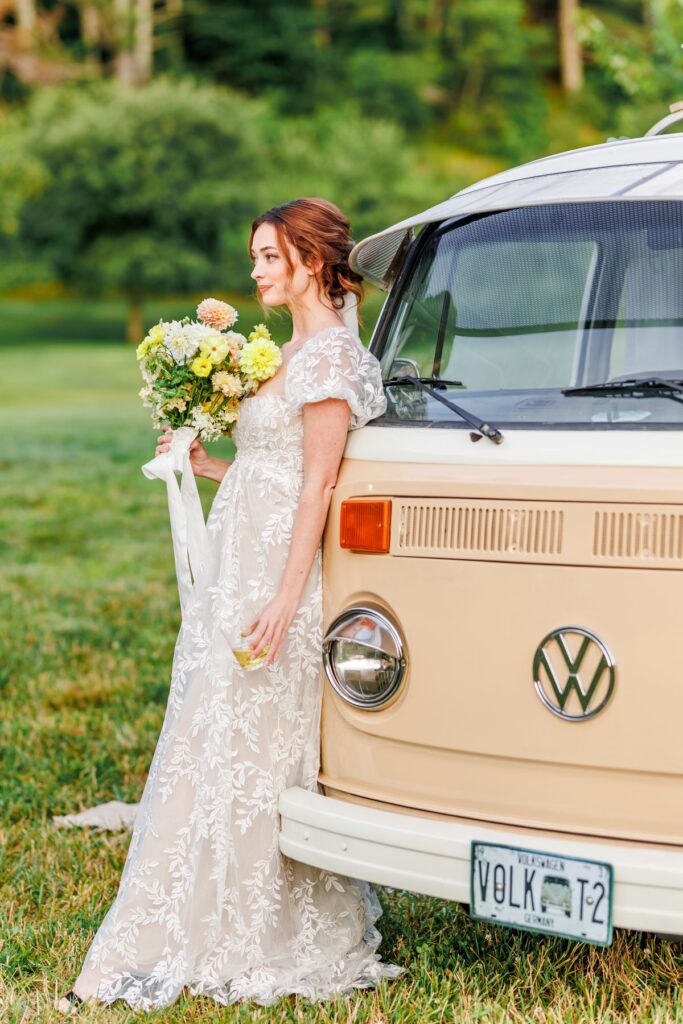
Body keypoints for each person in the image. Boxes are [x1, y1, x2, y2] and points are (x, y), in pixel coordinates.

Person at [58, 197, 403, 1013]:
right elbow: (272, 469)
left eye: (267, 258)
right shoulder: (290, 351)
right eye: (254, 258)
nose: (253, 273)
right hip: (238, 563)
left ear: (311, 263)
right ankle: (199, 897)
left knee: (257, 742)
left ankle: (256, 921)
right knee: (215, 727)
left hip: (278, 577)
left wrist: (286, 601)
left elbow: (319, 483)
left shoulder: (328, 361)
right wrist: (205, 464)